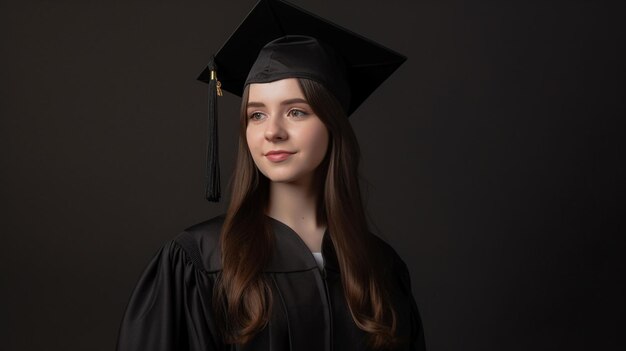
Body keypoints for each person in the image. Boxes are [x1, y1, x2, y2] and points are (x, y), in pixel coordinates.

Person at [116, 0, 426, 350]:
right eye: (257, 115)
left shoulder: (381, 268)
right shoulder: (198, 260)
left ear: (333, 126)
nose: (272, 131)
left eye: (296, 111)